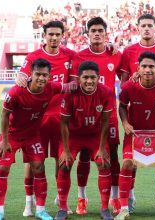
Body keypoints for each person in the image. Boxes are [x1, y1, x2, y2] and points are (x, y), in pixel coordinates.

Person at [0, 58, 72, 220]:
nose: (41, 78)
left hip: (32, 135)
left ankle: (41, 210)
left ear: (50, 76)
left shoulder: (51, 88)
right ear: (30, 74)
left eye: (45, 75)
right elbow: (4, 115)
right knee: (3, 169)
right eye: (38, 74)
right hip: (11, 136)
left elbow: (70, 87)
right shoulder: (16, 91)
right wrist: (4, 140)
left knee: (39, 167)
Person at [16, 20, 76, 216]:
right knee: (33, 162)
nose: (54, 38)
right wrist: (19, 78)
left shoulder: (70, 56)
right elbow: (22, 77)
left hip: (62, 117)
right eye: (50, 34)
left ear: (62, 36)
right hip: (37, 118)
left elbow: (86, 59)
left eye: (57, 34)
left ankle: (61, 200)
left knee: (62, 160)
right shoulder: (33, 57)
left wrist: (112, 47)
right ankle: (29, 202)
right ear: (44, 35)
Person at [115, 52, 155, 220]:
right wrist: (125, 123)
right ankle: (125, 205)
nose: (148, 69)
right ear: (138, 68)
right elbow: (122, 106)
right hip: (135, 132)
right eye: (144, 66)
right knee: (128, 164)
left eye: (151, 66)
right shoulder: (130, 87)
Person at [119, 13, 155, 213]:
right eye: (143, 25)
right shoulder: (129, 51)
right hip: (137, 117)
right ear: (138, 27)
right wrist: (132, 82)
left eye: (150, 25)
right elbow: (124, 84)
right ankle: (129, 200)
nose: (147, 28)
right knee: (130, 160)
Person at [70, 16, 122, 215]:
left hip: (109, 115)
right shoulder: (79, 57)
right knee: (84, 155)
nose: (97, 34)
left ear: (106, 33)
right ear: (88, 34)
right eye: (93, 31)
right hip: (85, 116)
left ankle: (114, 198)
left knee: (113, 156)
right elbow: (74, 87)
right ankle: (82, 197)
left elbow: (124, 82)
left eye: (101, 30)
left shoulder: (115, 55)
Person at [54, 61, 114, 220]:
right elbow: (64, 124)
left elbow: (105, 122)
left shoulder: (106, 92)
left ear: (98, 78)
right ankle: (62, 208)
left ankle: (104, 208)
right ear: (79, 79)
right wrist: (66, 151)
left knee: (103, 162)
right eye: (85, 77)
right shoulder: (69, 94)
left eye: (92, 77)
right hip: (73, 136)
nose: (89, 81)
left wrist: (101, 149)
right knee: (65, 164)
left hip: (95, 136)